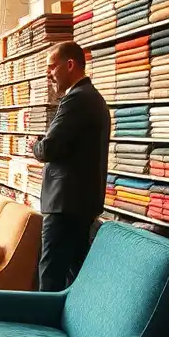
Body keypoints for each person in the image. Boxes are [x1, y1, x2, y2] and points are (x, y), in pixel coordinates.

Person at [31, 41, 109, 291]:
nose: (49, 74)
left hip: (65, 204)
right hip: (81, 203)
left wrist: (35, 144)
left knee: (51, 271)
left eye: (52, 67)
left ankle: (44, 327)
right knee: (75, 273)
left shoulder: (76, 100)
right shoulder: (93, 98)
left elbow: (49, 149)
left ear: (70, 64)